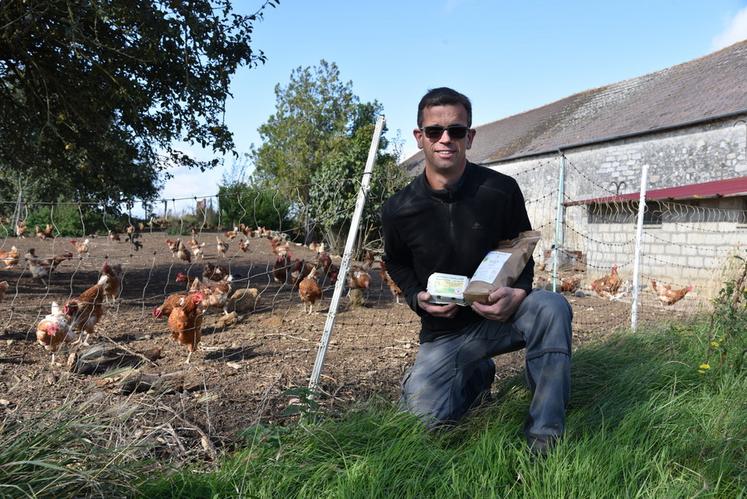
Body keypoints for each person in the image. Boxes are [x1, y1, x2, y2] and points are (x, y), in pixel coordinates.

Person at [381, 87, 573, 454]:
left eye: (456, 130)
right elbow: (397, 261)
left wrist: (519, 292)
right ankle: (475, 376)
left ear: (470, 136)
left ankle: (544, 439)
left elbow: (521, 251)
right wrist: (416, 298)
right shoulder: (398, 209)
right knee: (419, 428)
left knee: (551, 306)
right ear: (419, 137)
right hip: (444, 334)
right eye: (434, 131)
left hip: (501, 318)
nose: (445, 139)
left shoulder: (500, 190)